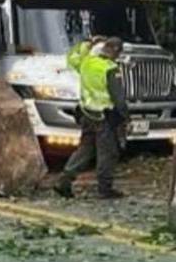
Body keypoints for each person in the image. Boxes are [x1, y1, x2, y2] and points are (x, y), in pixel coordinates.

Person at [54, 36, 128, 199]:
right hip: (105, 117)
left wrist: (86, 43)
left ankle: (64, 180)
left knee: (85, 149)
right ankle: (105, 188)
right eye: (118, 53)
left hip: (86, 114)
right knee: (107, 152)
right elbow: (118, 98)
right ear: (115, 51)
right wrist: (124, 117)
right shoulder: (110, 68)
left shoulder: (87, 62)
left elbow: (72, 57)